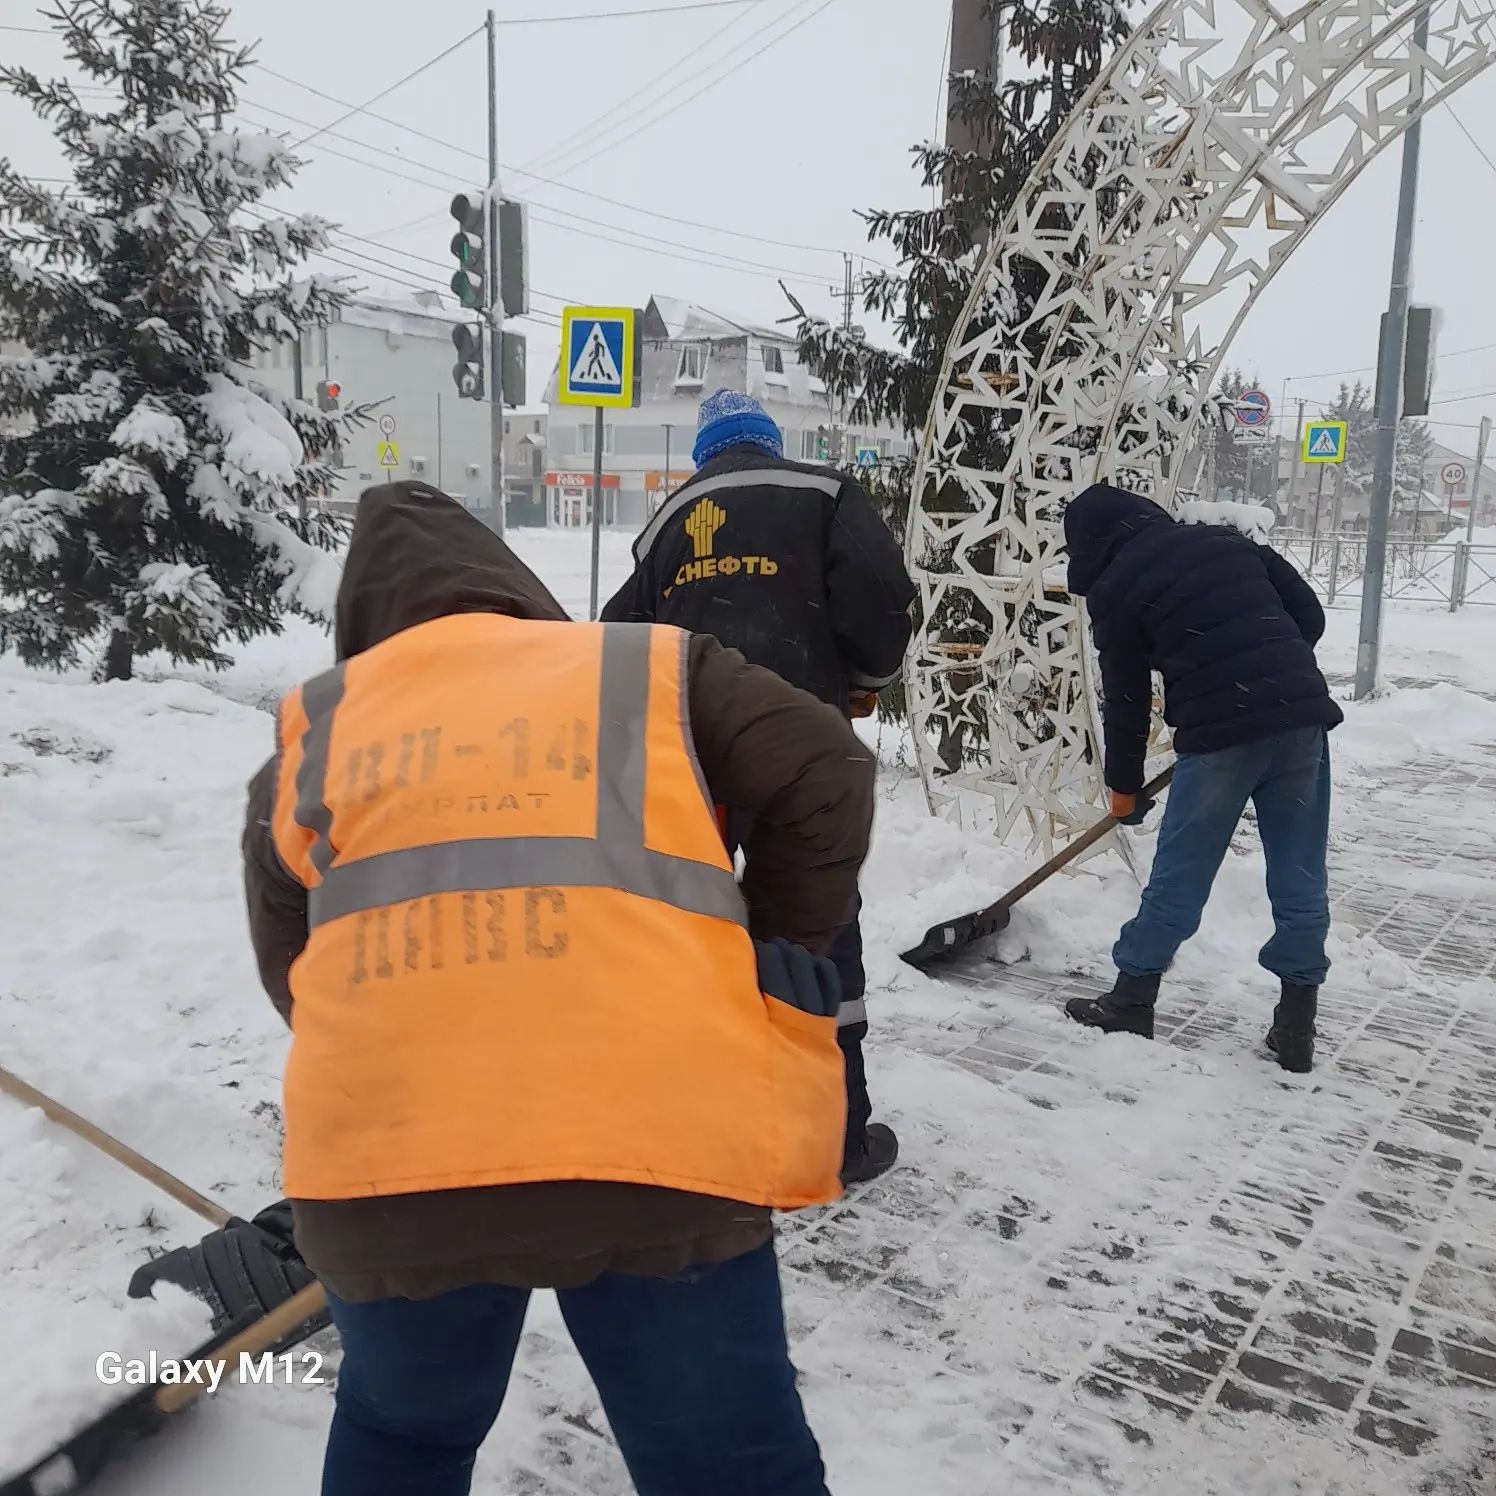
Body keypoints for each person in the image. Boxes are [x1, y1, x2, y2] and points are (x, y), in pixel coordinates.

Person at [241, 482, 876, 1496]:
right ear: (511, 582)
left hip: (384, 1173)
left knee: (401, 1433)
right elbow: (827, 769)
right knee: (727, 1465)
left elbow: (294, 965)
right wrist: (760, 953)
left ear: (360, 619)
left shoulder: (319, 727)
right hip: (655, 1146)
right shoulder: (647, 667)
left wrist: (409, 1030)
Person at [602, 389, 917, 1183]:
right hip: (801, 750)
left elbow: (615, 637)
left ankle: (694, 1126)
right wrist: (865, 678)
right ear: (770, 444)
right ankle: (835, 1137)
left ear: (706, 453)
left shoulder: (672, 517)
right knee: (817, 925)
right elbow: (883, 596)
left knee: (690, 925)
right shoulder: (826, 495)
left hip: (692, 755)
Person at [1060, 484, 1344, 1072]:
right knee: (1299, 871)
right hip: (1300, 721)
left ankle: (1133, 997)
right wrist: (1269, 667)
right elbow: (1309, 615)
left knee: (1180, 874)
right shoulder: (1227, 542)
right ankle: (1296, 1026)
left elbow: (1128, 699)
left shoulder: (1116, 591)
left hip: (1221, 736)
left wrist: (1124, 786)